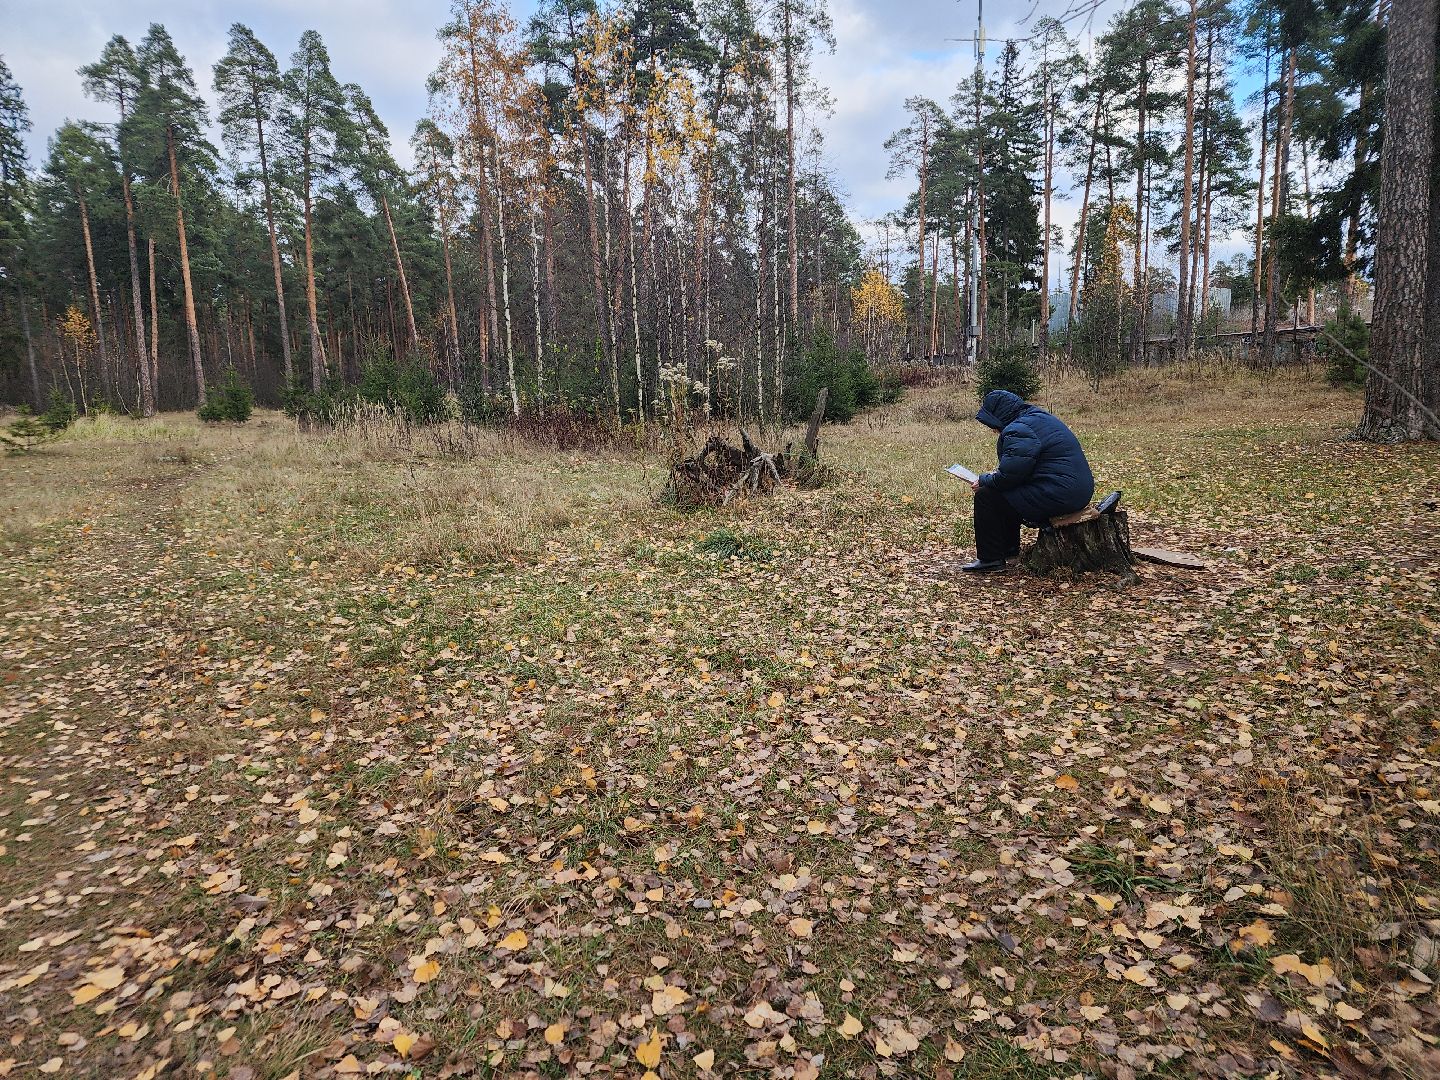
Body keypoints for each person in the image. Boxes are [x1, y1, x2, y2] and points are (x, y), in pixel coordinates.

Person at [962, 389, 1095, 573]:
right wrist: (996, 477)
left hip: (1060, 494)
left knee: (987, 496)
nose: (992, 429)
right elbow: (1021, 468)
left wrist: (984, 480)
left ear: (999, 416)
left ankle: (990, 559)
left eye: (991, 423)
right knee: (1006, 494)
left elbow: (1009, 477)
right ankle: (1008, 550)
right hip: (1073, 490)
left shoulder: (1018, 429)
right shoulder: (1036, 418)